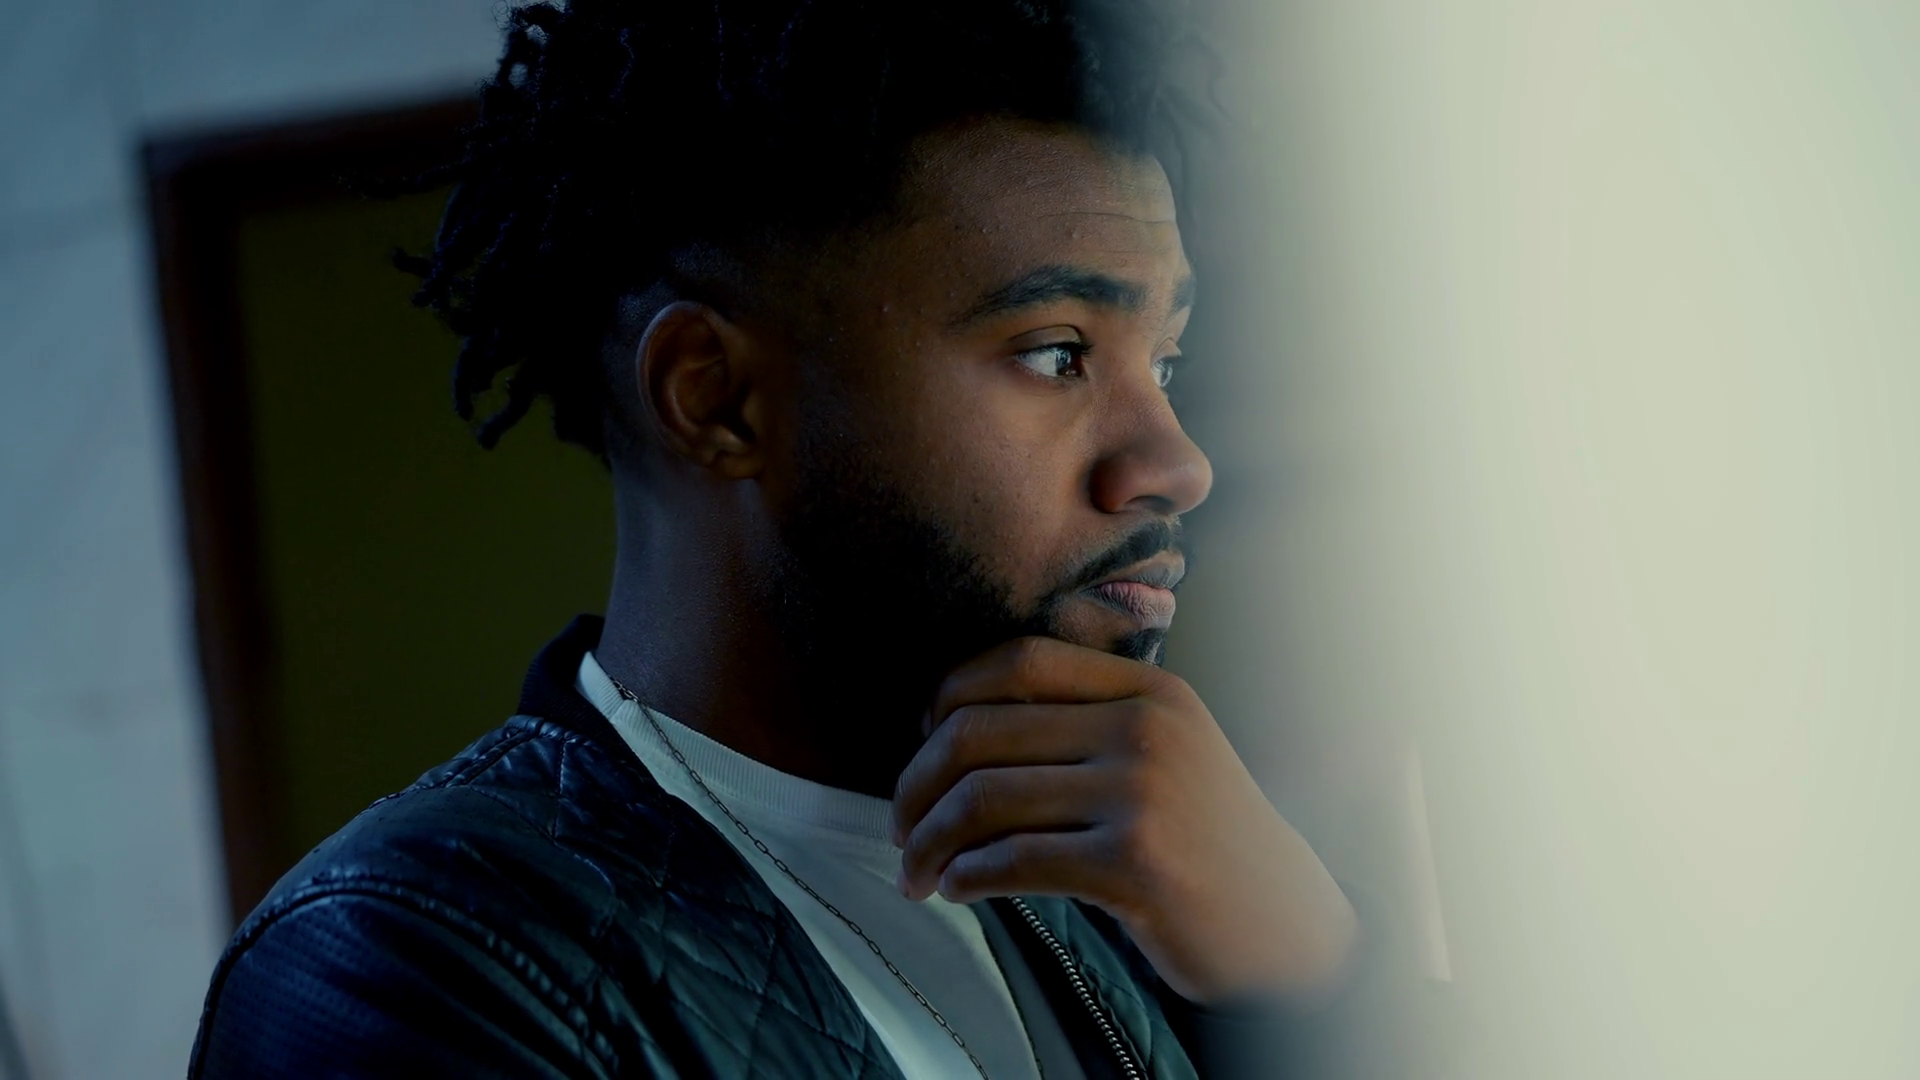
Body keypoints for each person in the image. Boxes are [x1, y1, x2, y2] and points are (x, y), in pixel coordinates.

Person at [189, 1, 1391, 1075]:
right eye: (1056, 353)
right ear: (717, 399)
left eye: (1163, 361)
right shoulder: (410, 966)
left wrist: (1319, 983)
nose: (1176, 464)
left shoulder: (1129, 876)